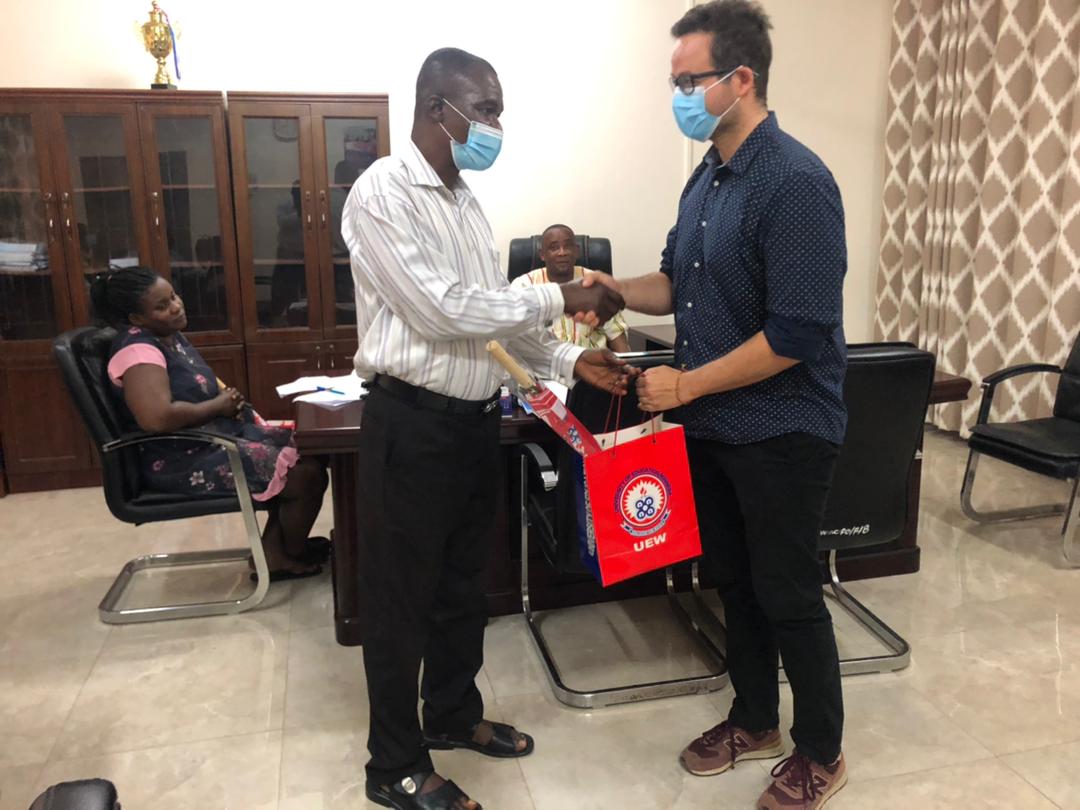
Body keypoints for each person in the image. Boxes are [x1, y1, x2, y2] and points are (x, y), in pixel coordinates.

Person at [342, 47, 630, 810]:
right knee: (401, 601)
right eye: (487, 110)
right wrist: (559, 297)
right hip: (411, 426)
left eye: (499, 110)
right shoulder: (382, 192)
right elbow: (442, 309)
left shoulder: (466, 202)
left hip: (472, 428)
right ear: (439, 108)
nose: (497, 125)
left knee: (463, 589)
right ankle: (393, 766)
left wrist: (571, 358)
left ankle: (451, 715)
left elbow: (492, 324)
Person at [584, 3, 849, 807]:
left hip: (785, 427)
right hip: (715, 428)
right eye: (673, 83)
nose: (679, 97)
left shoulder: (796, 182)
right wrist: (613, 288)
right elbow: (675, 282)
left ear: (741, 78)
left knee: (787, 591)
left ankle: (821, 750)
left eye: (688, 81)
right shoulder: (706, 177)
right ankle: (755, 719)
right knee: (733, 581)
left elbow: (798, 333)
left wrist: (688, 384)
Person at [92, 266, 330, 581]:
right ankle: (284, 554)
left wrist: (225, 405)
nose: (176, 306)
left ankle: (279, 549)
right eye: (162, 306)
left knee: (311, 448)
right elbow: (156, 417)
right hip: (182, 459)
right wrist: (217, 406)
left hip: (211, 440)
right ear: (136, 318)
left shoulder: (165, 336)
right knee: (304, 474)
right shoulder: (139, 352)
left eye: (173, 296)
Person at [511, 223, 631, 352]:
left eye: (567, 246)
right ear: (542, 254)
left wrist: (626, 363)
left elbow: (616, 334)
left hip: (593, 361)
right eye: (554, 248)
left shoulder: (595, 283)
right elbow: (513, 339)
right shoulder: (524, 286)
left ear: (577, 251)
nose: (562, 252)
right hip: (542, 363)